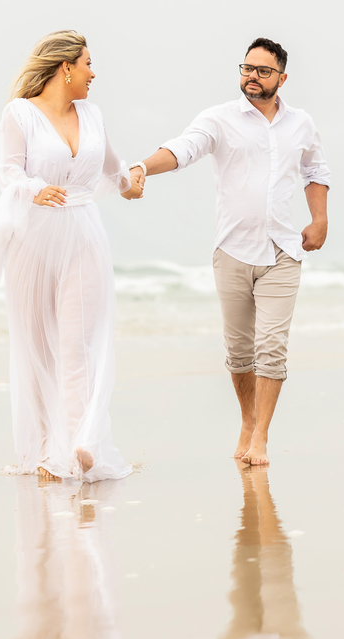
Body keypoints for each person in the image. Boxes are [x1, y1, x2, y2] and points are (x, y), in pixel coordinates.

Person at [129, 37, 330, 466]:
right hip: (233, 250)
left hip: (282, 251)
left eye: (262, 71)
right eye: (246, 69)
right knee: (239, 350)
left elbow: (315, 168)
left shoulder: (301, 123)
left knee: (271, 347)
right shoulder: (219, 119)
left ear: (282, 77)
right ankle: (247, 418)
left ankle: (260, 437)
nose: (252, 77)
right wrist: (142, 167)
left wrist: (319, 218)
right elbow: (183, 149)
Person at [0, 31, 143, 482]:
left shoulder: (92, 114)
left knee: (76, 343)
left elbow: (112, 165)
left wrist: (130, 182)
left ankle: (83, 441)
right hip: (34, 239)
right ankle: (46, 449)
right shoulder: (19, 114)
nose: (93, 73)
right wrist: (33, 189)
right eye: (87, 63)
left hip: (83, 235)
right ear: (66, 68)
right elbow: (8, 171)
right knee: (37, 346)